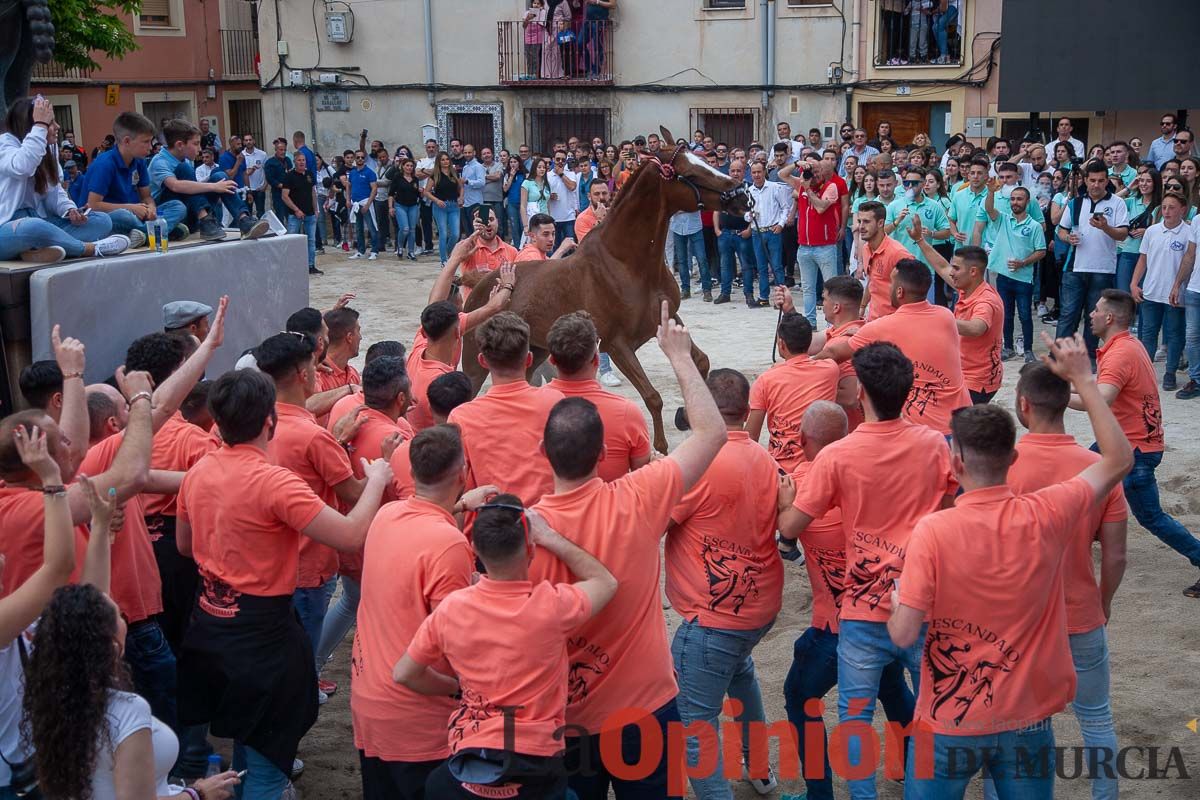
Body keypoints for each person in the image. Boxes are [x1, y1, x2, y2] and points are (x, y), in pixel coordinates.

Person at [889, 335, 1133, 799]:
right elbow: (1119, 460)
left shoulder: (933, 532)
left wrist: (898, 603)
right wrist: (1083, 377)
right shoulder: (1047, 512)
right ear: (1013, 458)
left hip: (949, 717)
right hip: (1026, 717)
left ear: (955, 463)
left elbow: (903, 636)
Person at [528, 300, 727, 799]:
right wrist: (678, 356)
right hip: (645, 704)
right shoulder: (638, 498)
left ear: (543, 452)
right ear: (602, 455)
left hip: (565, 714)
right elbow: (712, 433)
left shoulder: (520, 532)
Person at [174, 368, 392, 797]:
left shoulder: (199, 472)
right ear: (269, 422)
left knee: (240, 745)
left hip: (210, 626)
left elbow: (185, 545)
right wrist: (378, 480)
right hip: (262, 638)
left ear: (217, 422)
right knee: (268, 768)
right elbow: (350, 533)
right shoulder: (274, 482)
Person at [779, 341, 956, 800]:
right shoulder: (934, 444)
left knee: (854, 719)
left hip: (862, 610)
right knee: (928, 712)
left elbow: (792, 524)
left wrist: (785, 507)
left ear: (861, 395)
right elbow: (955, 504)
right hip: (921, 603)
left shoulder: (837, 457)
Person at [395, 492, 618, 799]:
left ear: (475, 550)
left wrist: (455, 687)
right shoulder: (551, 607)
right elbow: (606, 581)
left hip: (471, 756)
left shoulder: (452, 609)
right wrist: (550, 536)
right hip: (536, 760)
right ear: (530, 550)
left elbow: (404, 673)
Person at [352, 425, 496, 798]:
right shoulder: (448, 545)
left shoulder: (386, 516)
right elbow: (454, 643)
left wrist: (461, 504)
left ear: (413, 474)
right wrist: (459, 690)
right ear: (463, 474)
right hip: (418, 722)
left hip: (371, 705)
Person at [780, 402, 914, 800]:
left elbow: (784, 542)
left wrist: (785, 508)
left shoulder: (799, 487)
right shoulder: (878, 474)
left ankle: (820, 794)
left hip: (837, 625)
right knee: (890, 685)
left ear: (803, 440)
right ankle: (914, 769)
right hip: (889, 612)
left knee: (800, 698)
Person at [1010, 361, 1128, 800]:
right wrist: (1104, 602)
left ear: (1024, 404)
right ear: (1067, 405)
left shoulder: (1005, 466)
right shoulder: (1098, 467)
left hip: (1024, 620)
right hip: (1080, 612)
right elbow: (1114, 553)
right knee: (1097, 717)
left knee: (1029, 721)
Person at [665, 368, 785, 799]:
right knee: (741, 674)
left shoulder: (701, 463)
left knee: (695, 723)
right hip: (758, 607)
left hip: (713, 616)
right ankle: (759, 769)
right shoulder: (763, 456)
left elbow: (653, 519)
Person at [1078, 290, 1200, 597]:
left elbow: (1102, 399)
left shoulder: (1119, 353)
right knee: (1083, 475)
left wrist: (1054, 398)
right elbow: (1104, 386)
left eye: (1095, 310)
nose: (1090, 314)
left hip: (1133, 449)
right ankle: (1092, 529)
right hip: (1125, 441)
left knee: (1151, 517)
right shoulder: (1128, 344)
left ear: (1109, 318)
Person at [818, 259, 971, 434]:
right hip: (963, 422)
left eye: (891, 283)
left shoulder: (883, 327)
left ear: (900, 291)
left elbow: (834, 353)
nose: (888, 288)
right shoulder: (945, 316)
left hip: (925, 430)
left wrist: (801, 367)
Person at [448, 312, 565, 505]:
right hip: (548, 520)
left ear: (482, 361)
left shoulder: (461, 417)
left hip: (492, 525)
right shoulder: (555, 402)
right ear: (529, 360)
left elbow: (457, 485)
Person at [0, 97, 129, 262]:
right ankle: (90, 249)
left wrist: (69, 210)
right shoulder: (4, 144)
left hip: (41, 219)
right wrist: (41, 125)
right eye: (51, 122)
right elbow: (22, 166)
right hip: (9, 227)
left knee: (102, 221)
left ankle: (35, 251)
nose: (57, 127)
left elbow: (54, 191)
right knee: (33, 227)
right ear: (31, 126)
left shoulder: (46, 148)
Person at [544, 311, 650, 481]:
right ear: (596, 359)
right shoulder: (627, 412)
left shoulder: (528, 405)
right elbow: (643, 478)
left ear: (551, 360)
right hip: (609, 504)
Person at [908, 225, 1005, 405]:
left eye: (956, 268)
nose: (951, 272)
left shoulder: (985, 301)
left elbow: (976, 328)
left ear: (973, 272)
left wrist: (940, 317)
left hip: (977, 383)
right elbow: (941, 266)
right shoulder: (968, 288)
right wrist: (920, 240)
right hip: (962, 375)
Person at [745, 312, 840, 472]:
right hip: (820, 466)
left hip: (783, 470)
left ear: (781, 344)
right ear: (809, 342)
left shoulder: (765, 380)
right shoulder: (830, 369)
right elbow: (833, 351)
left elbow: (751, 437)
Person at [1055, 160, 1130, 360]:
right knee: (1068, 316)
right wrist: (1067, 237)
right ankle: (1059, 358)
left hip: (1103, 269)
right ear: (1085, 181)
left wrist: (1105, 227)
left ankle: (1089, 359)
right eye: (1092, 180)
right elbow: (1061, 229)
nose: (1096, 185)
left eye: (1101, 180)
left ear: (1107, 181)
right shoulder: (1076, 202)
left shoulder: (1117, 203)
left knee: (1095, 317)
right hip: (1074, 267)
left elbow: (1123, 234)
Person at [149, 120, 267, 241]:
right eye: (196, 144)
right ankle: (205, 220)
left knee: (219, 175)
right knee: (184, 169)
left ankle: (243, 220)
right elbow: (175, 186)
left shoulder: (186, 158)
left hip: (190, 211)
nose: (200, 149)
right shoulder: (160, 162)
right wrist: (215, 187)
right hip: (170, 215)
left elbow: (193, 189)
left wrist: (217, 185)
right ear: (180, 145)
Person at [84, 111, 188, 249]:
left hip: (137, 214)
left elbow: (146, 197)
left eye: (151, 141)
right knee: (124, 216)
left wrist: (151, 208)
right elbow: (92, 205)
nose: (150, 147)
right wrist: (131, 208)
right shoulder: (105, 164)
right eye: (145, 142)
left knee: (177, 206)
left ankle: (143, 234)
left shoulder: (139, 161)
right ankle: (159, 231)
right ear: (127, 141)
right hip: (110, 218)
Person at [976, 181, 1047, 362]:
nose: (1015, 202)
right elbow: (989, 209)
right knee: (1006, 314)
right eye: (1013, 199)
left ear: (1028, 202)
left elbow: (1041, 251)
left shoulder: (1035, 226)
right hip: (1004, 276)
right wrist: (991, 192)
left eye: (1019, 199)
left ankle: (1029, 350)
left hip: (1023, 278)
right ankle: (1007, 348)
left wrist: (1023, 263)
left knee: (1025, 315)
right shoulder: (1004, 219)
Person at [1131, 191, 1189, 390]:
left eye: (1172, 207)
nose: (1167, 211)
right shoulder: (1152, 231)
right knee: (1148, 333)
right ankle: (1145, 373)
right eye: (1164, 207)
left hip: (1175, 293)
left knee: (1174, 333)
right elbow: (1143, 259)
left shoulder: (1188, 233)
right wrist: (1134, 283)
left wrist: (1179, 286)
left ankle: (1170, 372)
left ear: (1183, 210)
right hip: (1151, 290)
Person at [884, 166, 951, 303]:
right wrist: (897, 222)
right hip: (900, 267)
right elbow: (884, 232)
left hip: (925, 266)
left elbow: (947, 232)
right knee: (899, 309)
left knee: (925, 308)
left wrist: (931, 233)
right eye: (906, 183)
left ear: (923, 183)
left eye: (914, 183)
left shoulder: (934, 206)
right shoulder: (894, 206)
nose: (910, 186)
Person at [852, 201, 910, 321]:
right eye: (859, 221)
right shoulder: (866, 249)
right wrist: (862, 307)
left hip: (895, 323)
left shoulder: (898, 253)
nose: (861, 227)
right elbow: (873, 281)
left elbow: (913, 293)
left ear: (880, 223)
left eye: (866, 222)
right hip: (874, 320)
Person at [746, 161, 792, 308]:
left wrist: (780, 224)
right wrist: (750, 216)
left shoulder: (775, 187)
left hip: (773, 231)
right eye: (754, 172)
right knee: (761, 267)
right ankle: (763, 297)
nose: (757, 175)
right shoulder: (749, 191)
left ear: (764, 172)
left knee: (777, 266)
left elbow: (785, 208)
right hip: (757, 232)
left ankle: (781, 298)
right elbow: (745, 214)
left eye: (759, 172)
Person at [713, 160, 756, 305]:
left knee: (746, 265)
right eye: (733, 170)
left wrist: (749, 229)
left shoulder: (749, 188)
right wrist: (717, 229)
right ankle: (725, 294)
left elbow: (755, 211)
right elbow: (716, 209)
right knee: (725, 265)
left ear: (744, 172)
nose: (735, 173)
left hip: (742, 233)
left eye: (739, 170)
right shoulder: (723, 188)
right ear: (729, 171)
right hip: (725, 233)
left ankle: (749, 294)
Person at [281, 151, 320, 275]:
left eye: (303, 160)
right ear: (295, 161)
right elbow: (285, 196)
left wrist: (316, 209)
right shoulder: (289, 176)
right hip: (294, 215)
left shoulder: (309, 175)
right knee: (292, 241)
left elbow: (313, 192)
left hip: (310, 213)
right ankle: (291, 266)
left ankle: (311, 265)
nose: (302, 162)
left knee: (311, 241)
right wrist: (296, 210)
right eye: (299, 160)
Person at [423, 151, 461, 264]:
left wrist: (461, 197)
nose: (445, 162)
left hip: (454, 206)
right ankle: (443, 259)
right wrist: (436, 200)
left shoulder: (454, 173)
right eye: (442, 160)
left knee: (455, 234)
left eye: (447, 159)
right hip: (440, 206)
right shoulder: (435, 175)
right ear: (439, 162)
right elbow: (426, 192)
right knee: (443, 233)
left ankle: (448, 253)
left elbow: (461, 187)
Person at [669, 206, 712, 302]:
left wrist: (680, 210)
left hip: (694, 226)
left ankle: (707, 289)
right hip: (677, 227)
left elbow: (697, 206)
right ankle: (685, 289)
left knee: (702, 259)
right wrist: (686, 209)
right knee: (681, 261)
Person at [345, 149, 381, 261]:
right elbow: (348, 186)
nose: (360, 159)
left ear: (364, 159)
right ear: (355, 159)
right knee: (358, 228)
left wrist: (368, 204)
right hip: (355, 203)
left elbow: (374, 189)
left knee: (372, 227)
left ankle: (375, 250)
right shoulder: (352, 172)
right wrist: (347, 200)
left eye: (362, 157)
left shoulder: (369, 172)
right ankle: (360, 250)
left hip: (365, 202)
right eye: (358, 157)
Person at [389, 157, 422, 260]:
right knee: (405, 229)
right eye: (407, 165)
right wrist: (390, 207)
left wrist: (420, 191)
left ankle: (411, 252)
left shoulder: (415, 179)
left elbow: (417, 194)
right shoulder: (397, 177)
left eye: (411, 166)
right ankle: (400, 246)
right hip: (400, 205)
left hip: (413, 206)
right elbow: (390, 194)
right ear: (403, 166)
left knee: (412, 229)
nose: (409, 168)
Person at [547, 150, 579, 250]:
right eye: (557, 159)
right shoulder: (547, 175)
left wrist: (561, 174)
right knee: (554, 248)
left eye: (563, 160)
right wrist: (549, 196)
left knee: (571, 248)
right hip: (552, 218)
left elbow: (572, 187)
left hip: (568, 217)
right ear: (553, 160)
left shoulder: (571, 174)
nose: (560, 161)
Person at [240, 134, 267, 218]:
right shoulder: (241, 155)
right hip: (247, 190)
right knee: (248, 214)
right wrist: (249, 171)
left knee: (261, 213)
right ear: (244, 142)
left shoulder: (262, 154)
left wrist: (265, 185)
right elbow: (240, 173)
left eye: (250, 140)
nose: (248, 142)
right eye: (246, 140)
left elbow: (267, 171)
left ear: (254, 141)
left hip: (259, 189)